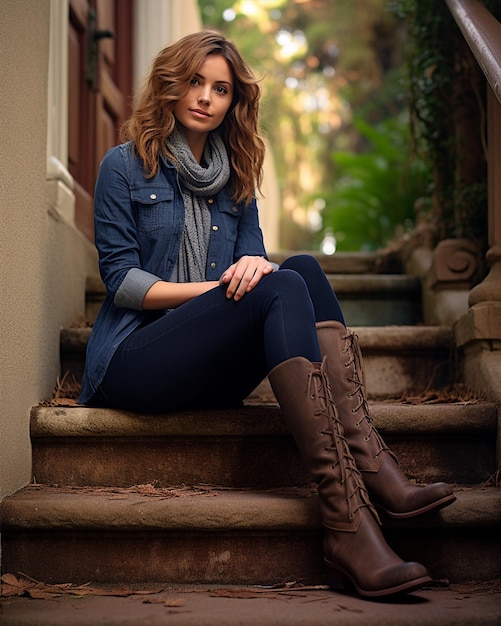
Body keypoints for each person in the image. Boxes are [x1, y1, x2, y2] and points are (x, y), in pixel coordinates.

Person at [79, 30, 455, 599]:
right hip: (137, 360)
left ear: (235, 101)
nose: (206, 97)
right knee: (277, 284)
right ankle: (348, 521)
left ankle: (368, 464)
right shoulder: (125, 166)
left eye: (221, 88)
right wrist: (217, 289)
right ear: (170, 85)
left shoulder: (238, 178)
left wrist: (250, 275)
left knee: (297, 268)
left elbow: (257, 264)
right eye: (195, 82)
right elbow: (123, 284)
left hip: (209, 364)